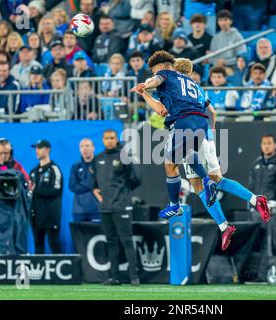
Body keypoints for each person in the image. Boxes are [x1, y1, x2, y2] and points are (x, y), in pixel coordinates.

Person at [149, 58, 270, 250]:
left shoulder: (172, 85)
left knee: (199, 185)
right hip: (206, 134)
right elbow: (212, 111)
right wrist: (211, 134)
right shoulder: (196, 87)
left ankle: (225, 224)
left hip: (187, 131)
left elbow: (162, 110)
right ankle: (254, 200)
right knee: (217, 179)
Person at [130, 50, 218, 217]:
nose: (154, 73)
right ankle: (207, 182)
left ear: (161, 66)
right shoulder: (191, 83)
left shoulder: (165, 74)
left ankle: (175, 205)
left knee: (169, 164)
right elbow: (162, 110)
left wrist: (146, 84)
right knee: (188, 154)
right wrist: (145, 93)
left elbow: (156, 79)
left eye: (154, 69)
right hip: (200, 122)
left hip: (183, 121)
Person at [92, 129, 140, 285]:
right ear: (102, 140)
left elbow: (135, 180)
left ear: (116, 139)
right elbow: (94, 184)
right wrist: (100, 197)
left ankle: (134, 277)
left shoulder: (124, 156)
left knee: (127, 241)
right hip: (105, 208)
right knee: (111, 242)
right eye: (106, 138)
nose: (109, 141)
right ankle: (114, 277)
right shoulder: (97, 158)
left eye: (112, 138)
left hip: (121, 206)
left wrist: (122, 194)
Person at [249, 134, 276, 281]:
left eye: (269, 143)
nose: (266, 146)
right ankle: (262, 276)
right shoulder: (256, 163)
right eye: (264, 143)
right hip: (257, 211)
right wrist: (251, 204)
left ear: (275, 145)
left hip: (275, 211)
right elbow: (251, 187)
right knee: (262, 242)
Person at [29, 139, 63, 254]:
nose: (37, 151)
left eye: (40, 148)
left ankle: (60, 270)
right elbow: (29, 191)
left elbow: (56, 190)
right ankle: (38, 271)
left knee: (54, 245)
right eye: (36, 148)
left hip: (50, 215)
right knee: (38, 246)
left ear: (47, 149)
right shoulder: (33, 171)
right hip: (36, 215)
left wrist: (35, 191)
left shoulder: (54, 169)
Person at [69, 138, 100, 223]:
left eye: (87, 146)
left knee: (97, 236)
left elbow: (101, 184)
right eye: (81, 146)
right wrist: (92, 185)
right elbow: (72, 187)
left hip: (96, 210)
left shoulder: (100, 164)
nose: (84, 149)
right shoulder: (75, 166)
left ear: (93, 148)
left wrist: (82, 184)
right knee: (79, 236)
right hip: (78, 211)